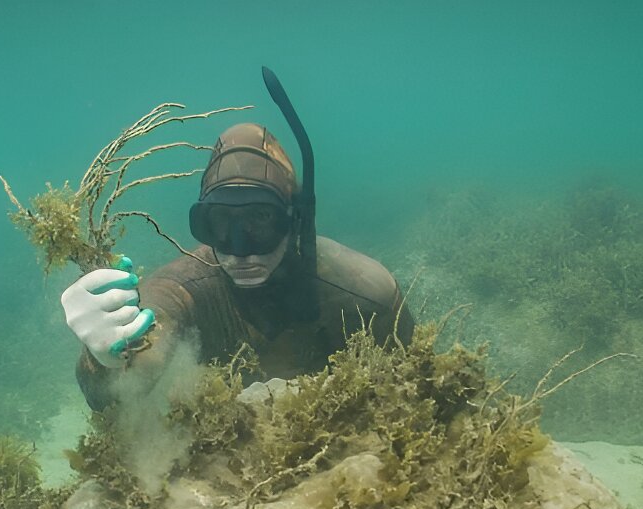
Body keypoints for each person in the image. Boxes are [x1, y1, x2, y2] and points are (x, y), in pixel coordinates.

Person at [61, 121, 414, 410]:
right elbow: (115, 391)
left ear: (294, 222)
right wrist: (106, 356)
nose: (240, 251)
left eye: (260, 219)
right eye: (220, 223)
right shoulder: (184, 288)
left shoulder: (363, 293)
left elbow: (411, 390)